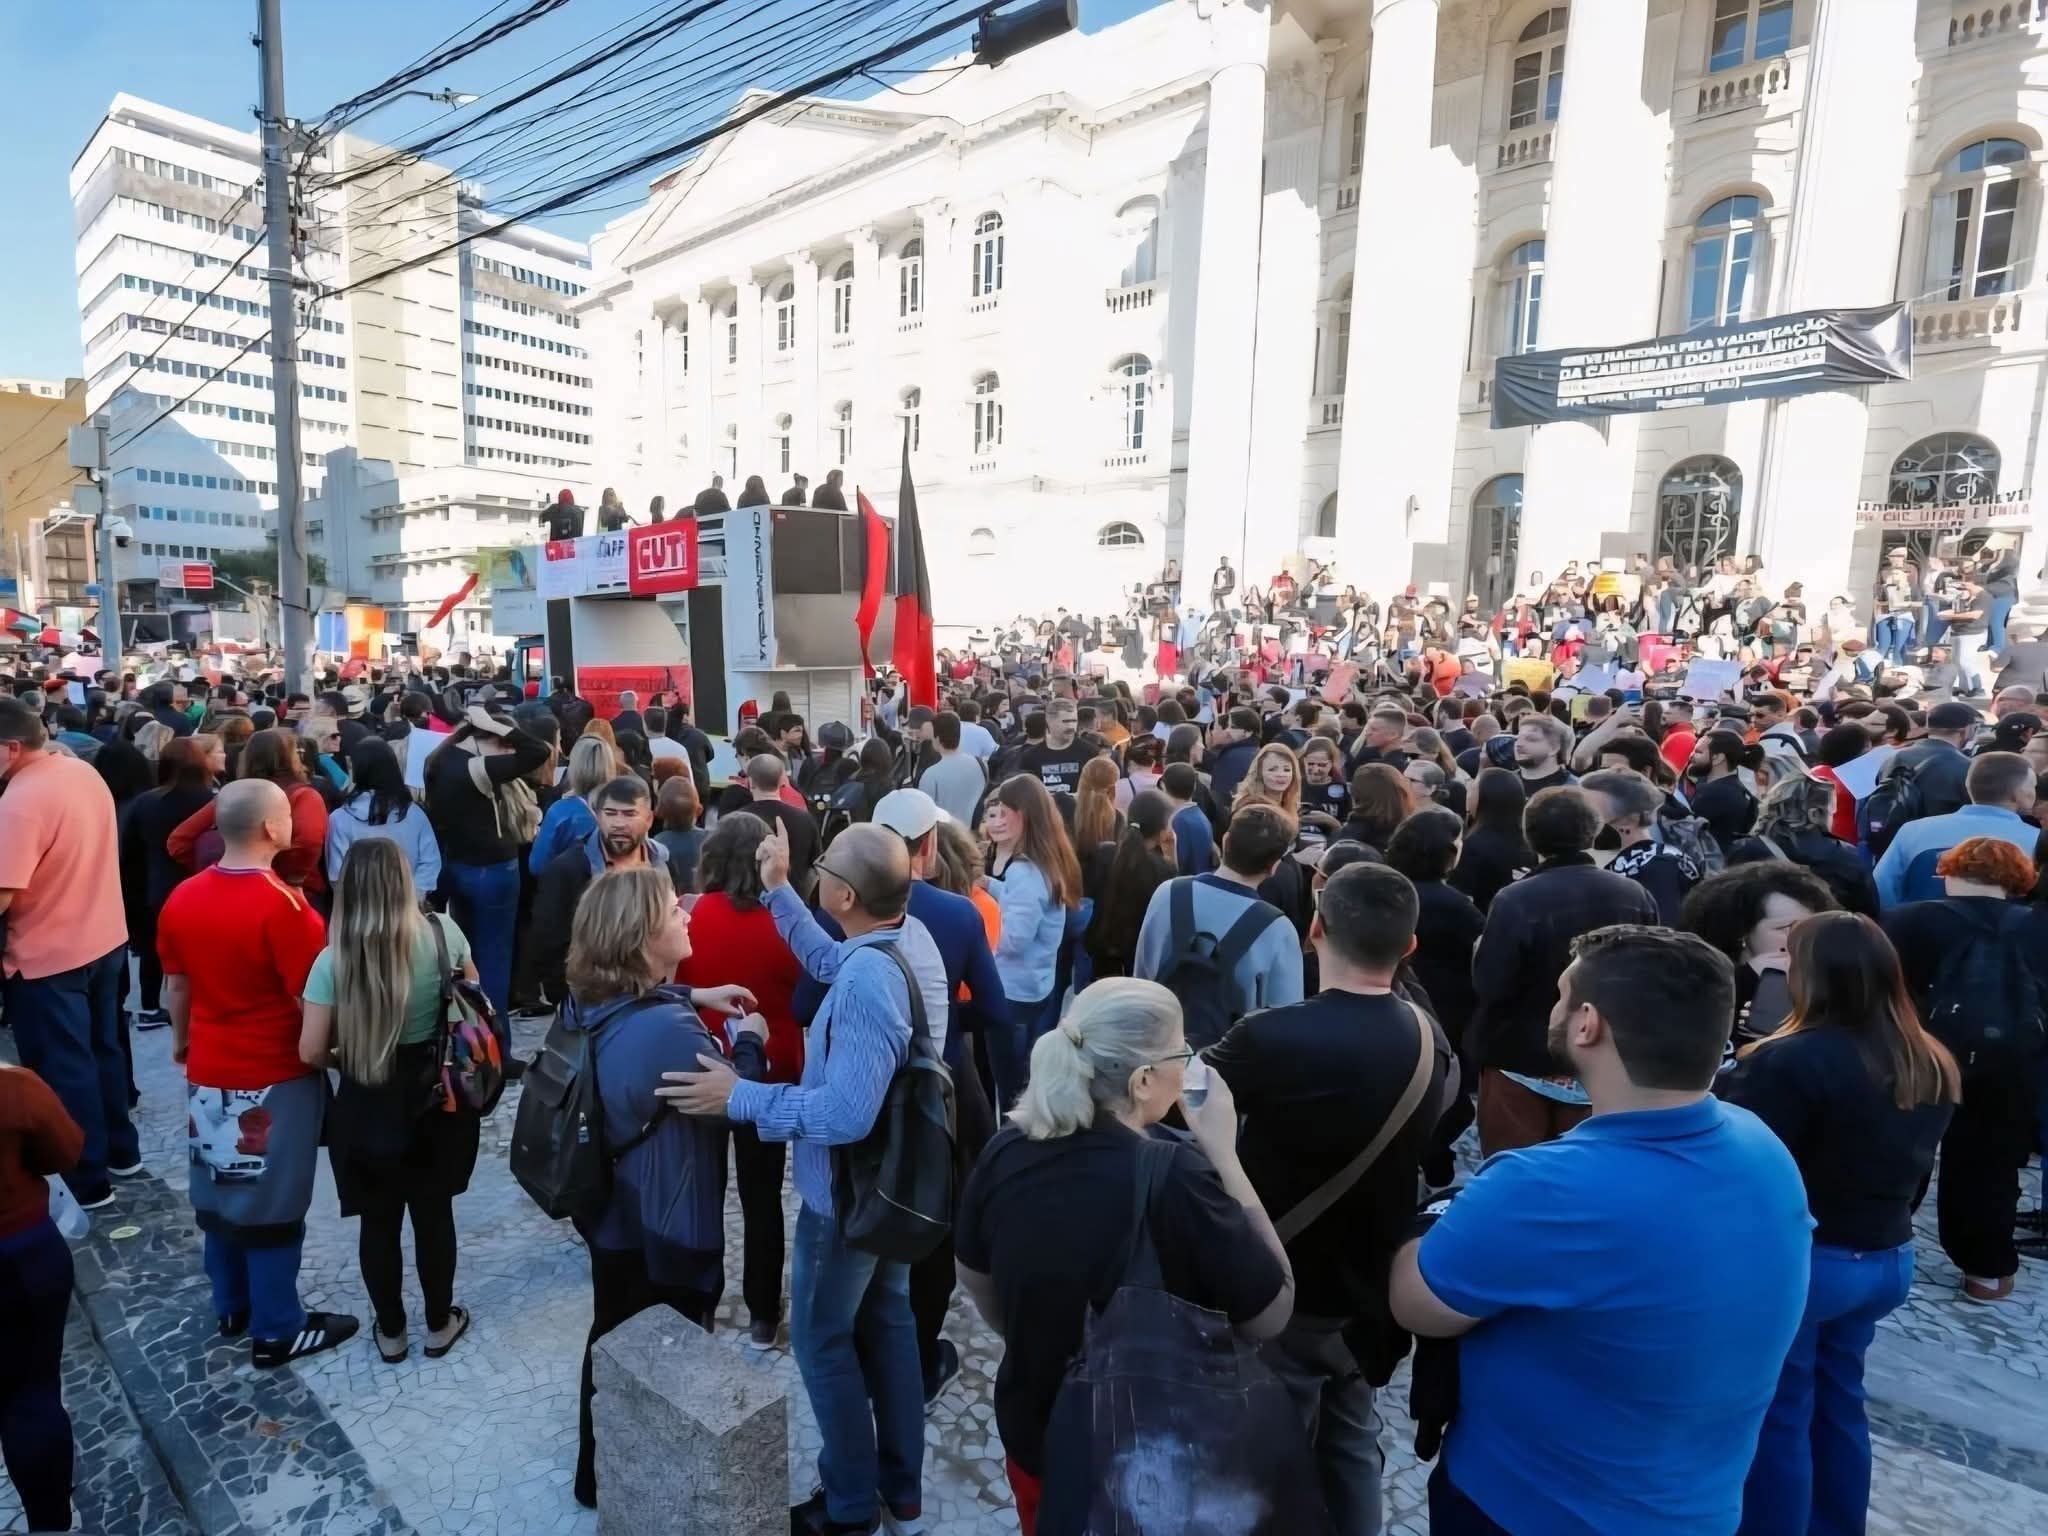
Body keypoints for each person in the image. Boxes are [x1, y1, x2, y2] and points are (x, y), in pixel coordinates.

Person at [1391, 925, 1812, 1536]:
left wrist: (1436, 1213)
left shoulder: (1547, 1187)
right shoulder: (1761, 1145)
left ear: (1588, 1023)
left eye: (1562, 996)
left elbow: (1416, 1303)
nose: (1555, 1009)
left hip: (1529, 1508)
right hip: (1696, 1508)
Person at [659, 824, 931, 1536]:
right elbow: (823, 957)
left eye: (821, 871)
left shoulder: (870, 979)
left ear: (843, 893)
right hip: (878, 1188)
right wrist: (779, 887)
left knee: (821, 1341)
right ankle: (900, 1487)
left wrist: (739, 1097)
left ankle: (848, 1506)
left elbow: (843, 1113)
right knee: (889, 1324)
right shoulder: (874, 948)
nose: (815, 876)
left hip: (845, 1198)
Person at [955, 979, 1292, 1536]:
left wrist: (1045, 1333)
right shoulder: (1176, 1177)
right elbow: (1274, 1307)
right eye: (1182, 1053)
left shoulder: (1007, 1146)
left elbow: (975, 1276)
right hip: (1148, 1458)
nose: (1189, 1066)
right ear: (1142, 1081)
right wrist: (1226, 1155)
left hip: (1037, 1426)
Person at [1207, 864, 1457, 1536]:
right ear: (1408, 948)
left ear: (1314, 927)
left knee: (1270, 1453)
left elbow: (1183, 1114)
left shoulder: (1266, 1036)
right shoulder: (1429, 1036)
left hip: (1276, 1283)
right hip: (1366, 1293)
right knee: (1350, 1440)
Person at [1717, 912, 1957, 1534]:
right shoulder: (1927, 1058)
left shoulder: (1789, 1060)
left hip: (1811, 1260)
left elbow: (1749, 1166)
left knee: (1782, 1414)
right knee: (1840, 1403)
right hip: (1885, 1257)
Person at [553, 866, 760, 1507]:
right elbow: (734, 1100)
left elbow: (641, 1008)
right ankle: (651, 1484)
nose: (688, 915)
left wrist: (695, 994)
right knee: (666, 1349)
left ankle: (595, 1471)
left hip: (611, 1210)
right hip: (663, 1219)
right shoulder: (667, 1034)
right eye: (675, 910)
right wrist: (749, 1044)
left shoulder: (585, 998)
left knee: (610, 1329)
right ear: (642, 936)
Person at [158, 780, 358, 1367]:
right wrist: (341, 1057)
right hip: (274, 1073)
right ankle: (278, 1327)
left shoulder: (184, 898)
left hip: (213, 1065)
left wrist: (181, 1044)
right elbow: (309, 1003)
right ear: (273, 829)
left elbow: (177, 987)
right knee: (273, 1201)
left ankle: (232, 1303)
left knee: (224, 1189)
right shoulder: (287, 908)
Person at [299, 840, 480, 1364]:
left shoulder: (333, 960)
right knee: (433, 1214)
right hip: (433, 1098)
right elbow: (473, 1003)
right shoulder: (443, 934)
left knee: (378, 1222)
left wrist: (349, 1053)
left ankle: (393, 1330)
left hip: (365, 1099)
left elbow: (311, 1049)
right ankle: (439, 1323)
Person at [1882, 838, 2048, 1303]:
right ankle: (1987, 1272)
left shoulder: (1906, 921)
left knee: (1901, 1149)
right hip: (2011, 1063)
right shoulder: (2039, 927)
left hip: (1922, 1052)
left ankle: (1884, 1244)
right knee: (1991, 1165)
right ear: (2018, 880)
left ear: (1949, 872)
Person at [0, 698, 140, 1212]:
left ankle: (86, 1179)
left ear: (11, 748)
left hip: (48, 952)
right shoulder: (79, 773)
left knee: (65, 1068)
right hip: (103, 936)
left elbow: (4, 891)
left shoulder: (20, 800)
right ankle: (123, 1152)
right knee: (105, 1049)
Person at [1468, 787, 1660, 1154]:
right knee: (1590, 1172)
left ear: (1530, 835)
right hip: (1600, 1056)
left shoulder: (1516, 898)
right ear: (1591, 832)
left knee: (1516, 1172)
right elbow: (1648, 974)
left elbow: (1491, 983)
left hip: (1520, 1059)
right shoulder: (1634, 895)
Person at [679, 812, 804, 1347]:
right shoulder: (786, 920)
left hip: (705, 1060)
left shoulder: (693, 915)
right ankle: (761, 1312)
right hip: (771, 1064)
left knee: (704, 1189)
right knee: (762, 1194)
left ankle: (703, 1302)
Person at [423, 706, 552, 1020]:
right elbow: (537, 752)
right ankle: (498, 1044)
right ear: (489, 738)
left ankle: (471, 1032)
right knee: (495, 960)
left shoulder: (440, 758)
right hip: (491, 871)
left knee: (468, 958)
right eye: (505, 746)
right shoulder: (475, 768)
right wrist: (495, 724)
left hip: (454, 867)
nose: (508, 754)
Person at [1133, 803, 1305, 1035]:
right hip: (1229, 1061)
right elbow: (1285, 1022)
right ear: (1274, 866)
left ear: (1225, 841)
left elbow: (1141, 974)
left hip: (1158, 1042)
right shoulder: (1278, 928)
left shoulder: (1168, 892)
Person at [535, 776, 695, 1000]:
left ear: (649, 819)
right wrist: (571, 999)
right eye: (610, 813)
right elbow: (549, 943)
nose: (619, 823)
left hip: (655, 994)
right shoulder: (568, 870)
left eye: (629, 814)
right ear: (597, 816)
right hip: (591, 999)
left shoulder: (663, 863)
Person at [982, 774, 1084, 1105]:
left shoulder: (1024, 870)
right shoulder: (1047, 857)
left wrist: (976, 928)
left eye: (1004, 811)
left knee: (1009, 1084)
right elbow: (1027, 903)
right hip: (1037, 983)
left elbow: (1014, 939)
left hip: (1014, 990)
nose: (998, 819)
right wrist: (989, 886)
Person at [121, 736, 216, 1033]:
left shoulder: (146, 802)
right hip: (204, 885)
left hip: (158, 887)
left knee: (155, 950)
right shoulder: (213, 801)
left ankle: (151, 1006)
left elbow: (129, 853)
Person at [1874, 750, 2039, 907]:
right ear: (2018, 792)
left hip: (1920, 931)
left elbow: (1881, 891)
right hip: (2009, 934)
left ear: (1969, 786)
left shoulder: (1913, 831)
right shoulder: (2037, 840)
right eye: (2033, 785)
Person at [1724, 775, 1879, 916]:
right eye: (1832, 812)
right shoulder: (1846, 858)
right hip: (1825, 941)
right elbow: (1868, 913)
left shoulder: (1744, 850)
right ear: (1815, 815)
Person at [1583, 767, 1703, 924]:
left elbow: (1663, 934)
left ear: (1628, 820)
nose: (1579, 819)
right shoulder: (1643, 859)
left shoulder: (1658, 866)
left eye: (1591, 814)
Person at [325, 737, 441, 896]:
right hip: (408, 909)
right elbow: (430, 863)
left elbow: (337, 874)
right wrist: (414, 898)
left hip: (360, 912)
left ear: (358, 770)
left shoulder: (340, 818)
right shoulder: (414, 813)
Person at [1085, 789, 1178, 980]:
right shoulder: (1162, 869)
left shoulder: (1104, 854)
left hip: (1101, 952)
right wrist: (1171, 856)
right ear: (1162, 831)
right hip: (1137, 959)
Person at [1451, 767, 1532, 913]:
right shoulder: (1531, 839)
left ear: (1487, 797)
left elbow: (1460, 896)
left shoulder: (1473, 846)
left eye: (1473, 789)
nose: (1468, 795)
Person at [738, 752, 822, 889]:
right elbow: (816, 864)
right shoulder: (805, 820)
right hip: (795, 902)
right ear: (781, 781)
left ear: (750, 782)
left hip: (748, 903)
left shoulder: (737, 821)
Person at [1687, 728, 1760, 850]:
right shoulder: (1735, 788)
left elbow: (1688, 832)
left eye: (1698, 752)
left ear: (1718, 758)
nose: (1691, 756)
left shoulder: (1714, 794)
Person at [918, 710, 988, 827]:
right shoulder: (980, 764)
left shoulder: (931, 774)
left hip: (944, 837)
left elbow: (923, 814)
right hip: (972, 836)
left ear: (938, 738)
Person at [1019, 697, 1099, 797]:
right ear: (1049, 722)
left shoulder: (1091, 753)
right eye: (1065, 721)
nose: (1071, 726)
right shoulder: (1030, 757)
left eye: (1074, 721)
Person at [1159, 760, 1216, 875]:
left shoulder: (1177, 820)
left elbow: (1176, 863)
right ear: (1194, 787)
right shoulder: (1199, 814)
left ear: (1163, 786)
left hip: (1186, 885)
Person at [653, 774, 707, 892]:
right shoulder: (710, 839)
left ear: (661, 811)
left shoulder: (658, 843)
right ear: (698, 810)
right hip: (703, 901)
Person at [1512, 714, 1575, 793]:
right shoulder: (1503, 783)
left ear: (1554, 748)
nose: (1519, 744)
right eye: (1517, 738)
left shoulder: (1575, 792)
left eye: (1531, 739)